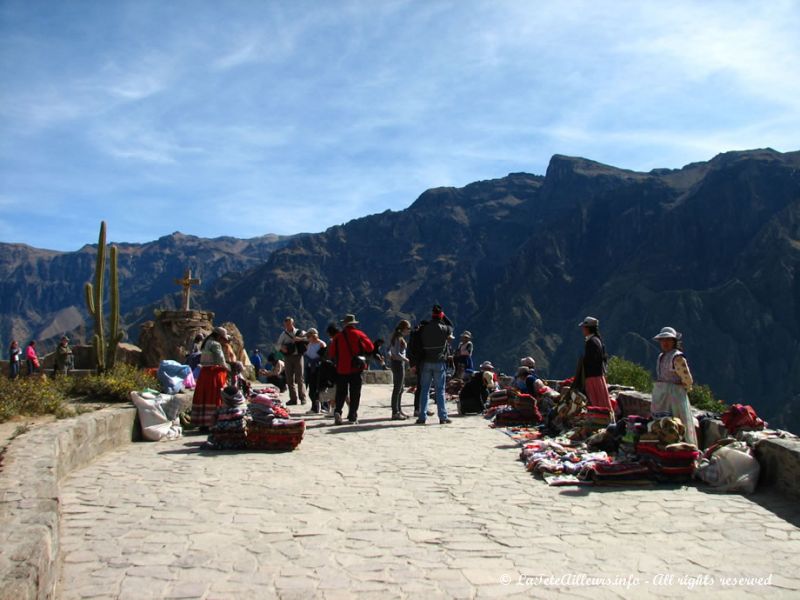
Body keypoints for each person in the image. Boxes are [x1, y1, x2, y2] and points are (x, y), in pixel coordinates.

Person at [651, 326, 698, 447]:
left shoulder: (677, 358)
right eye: (663, 340)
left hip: (675, 396)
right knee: (662, 424)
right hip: (662, 396)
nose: (665, 343)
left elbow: (687, 379)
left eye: (668, 340)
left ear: (674, 341)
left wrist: (679, 386)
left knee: (677, 423)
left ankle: (682, 447)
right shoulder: (662, 356)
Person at [328, 314, 374, 425]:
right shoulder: (359, 334)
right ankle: (352, 415)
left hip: (341, 369)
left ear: (344, 323)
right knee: (355, 393)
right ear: (354, 324)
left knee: (341, 392)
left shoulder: (338, 337)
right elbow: (370, 347)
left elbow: (331, 353)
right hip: (356, 368)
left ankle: (338, 411)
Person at [416, 304, 454, 425]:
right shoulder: (444, 328)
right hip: (439, 362)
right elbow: (451, 326)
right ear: (441, 315)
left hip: (426, 361)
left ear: (432, 315)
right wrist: (444, 316)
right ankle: (442, 417)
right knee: (440, 390)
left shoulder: (424, 328)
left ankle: (422, 417)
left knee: (424, 390)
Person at [191, 327, 231, 431]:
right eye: (222, 338)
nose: (223, 340)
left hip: (204, 373)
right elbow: (220, 360)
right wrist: (228, 368)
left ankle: (203, 422)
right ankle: (213, 421)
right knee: (214, 397)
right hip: (213, 374)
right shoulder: (215, 344)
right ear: (218, 336)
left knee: (204, 397)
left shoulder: (206, 343)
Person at [576, 316, 615, 420]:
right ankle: (605, 420)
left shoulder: (592, 342)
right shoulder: (596, 341)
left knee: (596, 401)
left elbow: (593, 360)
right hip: (597, 376)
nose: (582, 330)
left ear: (588, 328)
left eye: (584, 327)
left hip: (593, 377)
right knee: (601, 400)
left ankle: (599, 421)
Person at [277, 317, 308, 405]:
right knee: (289, 379)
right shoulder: (283, 334)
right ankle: (293, 399)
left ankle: (302, 398)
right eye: (286, 324)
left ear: (292, 323)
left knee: (300, 378)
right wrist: (282, 348)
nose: (287, 325)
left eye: (289, 324)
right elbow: (278, 345)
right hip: (288, 358)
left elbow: (308, 339)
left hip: (298, 356)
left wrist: (300, 339)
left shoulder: (300, 332)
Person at [388, 320, 411, 420]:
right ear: (404, 328)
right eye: (408, 328)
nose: (409, 331)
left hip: (398, 363)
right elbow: (396, 354)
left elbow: (391, 351)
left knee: (400, 388)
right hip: (398, 364)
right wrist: (405, 359)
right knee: (397, 388)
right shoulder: (398, 338)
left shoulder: (397, 337)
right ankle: (395, 412)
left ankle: (398, 409)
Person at [304, 328, 327, 414]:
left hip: (319, 369)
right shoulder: (309, 344)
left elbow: (324, 356)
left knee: (321, 389)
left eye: (309, 335)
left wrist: (315, 361)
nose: (307, 337)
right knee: (312, 390)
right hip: (310, 369)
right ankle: (314, 407)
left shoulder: (321, 344)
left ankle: (324, 407)